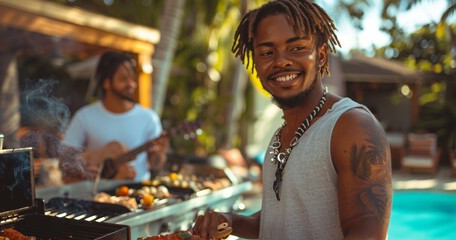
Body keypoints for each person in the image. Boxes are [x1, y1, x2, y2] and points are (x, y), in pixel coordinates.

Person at [192, 0, 392, 239]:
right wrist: (232, 221)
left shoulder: (351, 125)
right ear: (256, 64)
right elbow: (284, 219)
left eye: (296, 48)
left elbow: (367, 232)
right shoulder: (280, 136)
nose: (281, 61)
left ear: (320, 55)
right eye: (267, 53)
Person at [59, 51, 168, 183]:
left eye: (132, 78)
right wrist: (83, 169)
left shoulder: (149, 117)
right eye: (123, 79)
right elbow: (65, 158)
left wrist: (159, 154)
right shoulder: (85, 116)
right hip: (96, 198)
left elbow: (156, 165)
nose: (131, 84)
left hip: (137, 196)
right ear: (106, 83)